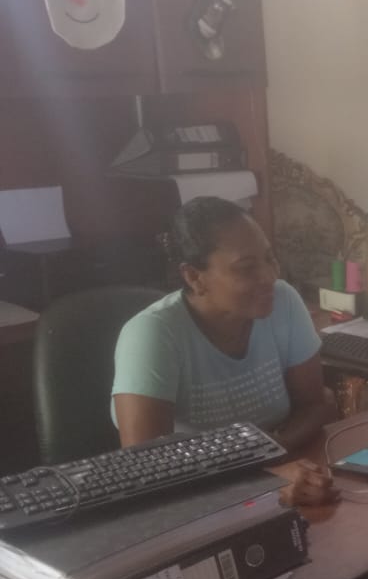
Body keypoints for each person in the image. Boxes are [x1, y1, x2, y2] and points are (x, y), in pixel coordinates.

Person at [111, 196, 337, 505]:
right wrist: (263, 480)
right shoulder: (152, 334)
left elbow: (316, 405)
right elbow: (146, 470)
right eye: (247, 268)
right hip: (192, 502)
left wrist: (270, 452)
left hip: (278, 482)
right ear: (194, 277)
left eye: (269, 258)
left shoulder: (283, 301)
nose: (270, 277)